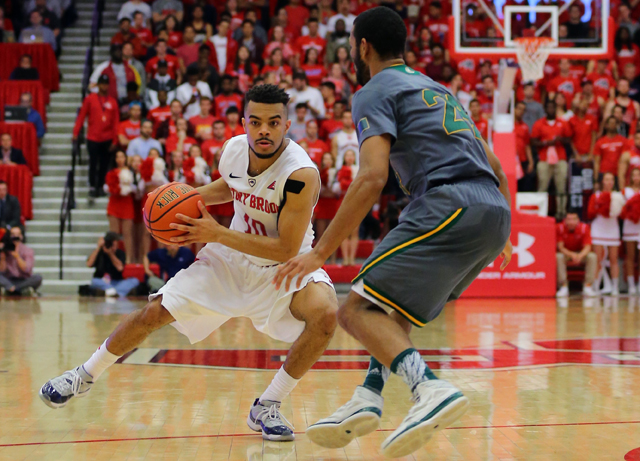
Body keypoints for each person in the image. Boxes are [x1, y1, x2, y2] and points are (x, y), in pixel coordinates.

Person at [39, 85, 339, 445]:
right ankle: (84, 374)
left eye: (273, 123)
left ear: (287, 125)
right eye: (256, 122)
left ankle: (269, 404)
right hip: (231, 261)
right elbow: (233, 187)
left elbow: (285, 248)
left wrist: (215, 231)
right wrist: (186, 198)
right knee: (153, 313)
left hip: (284, 268)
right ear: (244, 122)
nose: (264, 130)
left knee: (325, 316)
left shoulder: (300, 174)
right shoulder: (233, 150)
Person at [274, 8, 511, 457]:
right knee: (388, 307)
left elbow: (370, 178)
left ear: (362, 47)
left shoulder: (373, 91)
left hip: (448, 201)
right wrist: (502, 228)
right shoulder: (438, 88)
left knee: (353, 311)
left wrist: (320, 251)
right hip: (492, 210)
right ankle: (368, 394)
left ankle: (430, 389)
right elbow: (494, 164)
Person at [73, 75, 119, 199]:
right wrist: (76, 132)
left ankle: (101, 186)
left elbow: (115, 122)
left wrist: (115, 140)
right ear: (98, 85)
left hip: (107, 138)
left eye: (106, 84)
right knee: (93, 162)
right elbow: (82, 116)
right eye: (102, 83)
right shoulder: (90, 99)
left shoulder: (113, 101)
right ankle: (92, 186)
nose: (104, 86)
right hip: (93, 137)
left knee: (104, 163)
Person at [532, 100, 572, 219]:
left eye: (552, 107)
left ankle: (561, 213)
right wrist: (546, 142)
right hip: (544, 158)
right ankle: (540, 213)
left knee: (561, 186)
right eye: (548, 107)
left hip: (560, 157)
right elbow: (533, 141)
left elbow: (569, 139)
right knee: (542, 186)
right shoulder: (539, 123)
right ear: (545, 109)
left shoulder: (562, 122)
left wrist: (560, 140)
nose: (550, 109)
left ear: (555, 109)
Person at [588, 172, 622, 295]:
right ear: (602, 181)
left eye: (612, 179)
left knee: (614, 259)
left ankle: (615, 287)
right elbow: (590, 213)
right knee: (598, 259)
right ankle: (596, 286)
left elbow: (621, 213)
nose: (609, 182)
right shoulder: (596, 196)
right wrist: (600, 207)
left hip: (613, 229)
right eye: (607, 179)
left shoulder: (618, 195)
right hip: (598, 228)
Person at [555, 210, 597, 297]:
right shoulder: (559, 228)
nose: (571, 222)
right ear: (565, 220)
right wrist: (572, 255)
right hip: (566, 253)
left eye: (573, 219)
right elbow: (560, 247)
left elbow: (588, 247)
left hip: (580, 253)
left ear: (578, 220)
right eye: (569, 219)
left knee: (592, 256)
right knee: (558, 256)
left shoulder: (584, 228)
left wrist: (579, 256)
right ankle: (563, 286)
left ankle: (588, 286)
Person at [104, 151, 137, 264]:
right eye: (117, 157)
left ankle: (129, 260)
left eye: (122, 156)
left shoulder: (131, 171)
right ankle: (114, 260)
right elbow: (109, 187)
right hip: (114, 203)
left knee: (128, 233)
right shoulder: (111, 172)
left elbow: (136, 187)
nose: (120, 159)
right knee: (114, 233)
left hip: (126, 202)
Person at [85, 232, 140, 297]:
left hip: (117, 282)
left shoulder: (120, 253)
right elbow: (89, 264)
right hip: (103, 282)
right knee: (94, 281)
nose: (113, 247)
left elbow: (120, 268)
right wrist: (98, 247)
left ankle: (111, 292)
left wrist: (111, 254)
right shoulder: (99, 252)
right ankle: (116, 292)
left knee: (134, 281)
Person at [0, 226, 42, 296]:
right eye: (13, 235)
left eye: (17, 235)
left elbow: (27, 269)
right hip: (8, 280)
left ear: (21, 236)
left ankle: (11, 290)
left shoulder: (27, 250)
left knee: (38, 277)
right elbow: (2, 270)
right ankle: (20, 290)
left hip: (23, 280)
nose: (15, 237)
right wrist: (2, 257)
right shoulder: (5, 249)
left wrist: (17, 256)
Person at [594, 116, 628, 182]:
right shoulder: (600, 142)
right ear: (606, 125)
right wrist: (596, 180)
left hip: (618, 174)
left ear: (617, 125)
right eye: (610, 123)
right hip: (603, 173)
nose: (612, 125)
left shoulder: (623, 141)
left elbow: (624, 160)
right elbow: (596, 162)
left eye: (614, 123)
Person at [622, 168, 640, 294]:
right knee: (630, 256)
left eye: (638, 175)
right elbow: (622, 209)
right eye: (633, 175)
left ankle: (639, 284)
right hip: (629, 225)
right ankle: (631, 285)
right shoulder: (625, 191)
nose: (636, 177)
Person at [514, 101, 535, 192]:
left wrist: (531, 161)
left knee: (524, 185)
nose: (521, 111)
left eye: (523, 110)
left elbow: (527, 145)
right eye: (519, 108)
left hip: (523, 160)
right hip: (511, 160)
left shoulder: (525, 126)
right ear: (514, 109)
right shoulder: (507, 125)